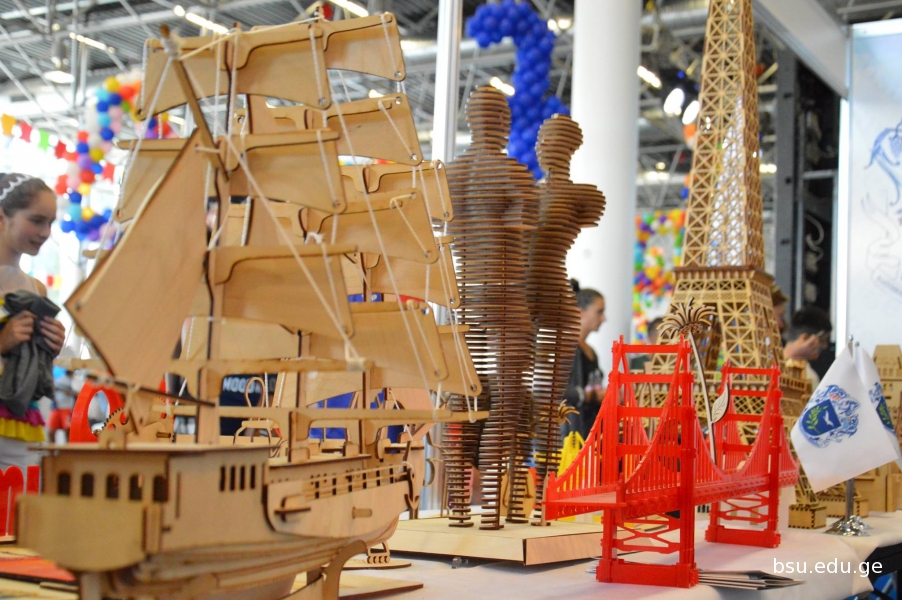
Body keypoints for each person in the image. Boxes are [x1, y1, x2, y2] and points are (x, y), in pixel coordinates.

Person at [0, 173, 66, 470]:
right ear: (2, 217)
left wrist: (50, 348)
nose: (45, 232)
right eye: (37, 220)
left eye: (50, 223)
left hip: (23, 425)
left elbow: (37, 373)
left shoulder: (37, 290)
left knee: (22, 495)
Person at [563, 288, 606, 440]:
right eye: (599, 312)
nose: (603, 318)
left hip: (587, 429)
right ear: (580, 311)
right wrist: (591, 395)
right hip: (570, 432)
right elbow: (554, 390)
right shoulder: (565, 348)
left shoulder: (590, 351)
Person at [783, 305, 832, 388]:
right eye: (822, 341)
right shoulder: (810, 376)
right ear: (805, 338)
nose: (825, 346)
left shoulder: (769, 362)